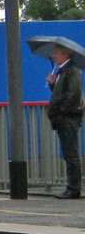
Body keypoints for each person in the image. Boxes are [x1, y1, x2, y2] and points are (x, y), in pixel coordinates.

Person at [46, 44, 84, 199]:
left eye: (56, 53)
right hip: (65, 116)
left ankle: (73, 188)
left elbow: (72, 94)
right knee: (69, 153)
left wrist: (60, 112)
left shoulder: (72, 71)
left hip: (67, 117)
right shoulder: (64, 72)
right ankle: (72, 186)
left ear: (65, 54)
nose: (54, 56)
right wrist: (53, 84)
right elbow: (64, 93)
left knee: (71, 153)